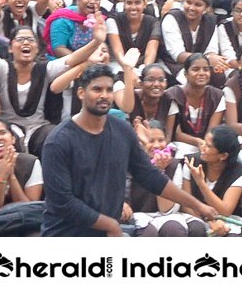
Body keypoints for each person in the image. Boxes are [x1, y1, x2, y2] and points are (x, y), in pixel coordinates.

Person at [39, 64, 219, 236]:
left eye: (109, 90)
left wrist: (197, 205)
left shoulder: (122, 130)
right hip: (66, 236)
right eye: (97, 89)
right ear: (80, 93)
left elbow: (150, 176)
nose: (105, 95)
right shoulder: (58, 141)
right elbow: (62, 202)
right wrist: (110, 225)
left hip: (106, 233)